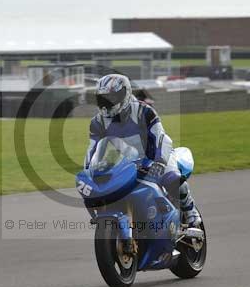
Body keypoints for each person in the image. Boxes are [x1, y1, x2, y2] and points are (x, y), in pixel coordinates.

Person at [85, 73, 202, 228]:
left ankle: (189, 209)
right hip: (127, 162)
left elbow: (160, 137)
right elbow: (93, 149)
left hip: (157, 156)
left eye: (112, 98)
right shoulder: (97, 122)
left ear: (125, 93)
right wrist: (88, 170)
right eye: (103, 99)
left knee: (172, 177)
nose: (107, 103)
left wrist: (159, 162)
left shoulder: (144, 112)